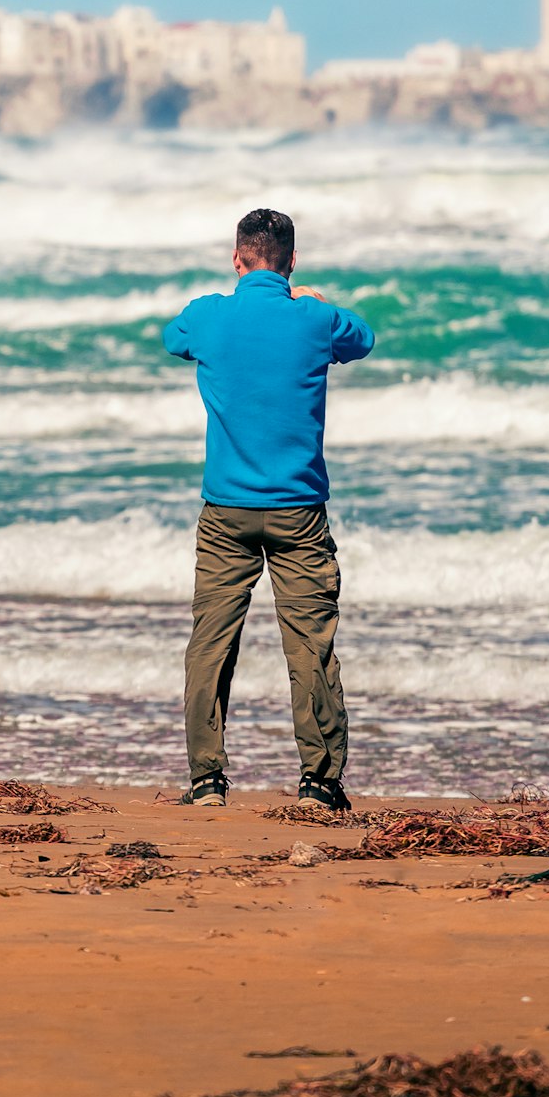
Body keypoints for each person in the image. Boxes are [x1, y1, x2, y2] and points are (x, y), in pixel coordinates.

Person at [160, 205, 373, 812]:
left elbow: (172, 337)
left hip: (225, 509)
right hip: (299, 510)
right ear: (292, 262)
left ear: (237, 258)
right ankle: (320, 780)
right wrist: (309, 298)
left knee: (211, 642)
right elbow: (363, 336)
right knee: (310, 644)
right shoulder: (314, 318)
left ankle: (206, 779)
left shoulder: (209, 316)